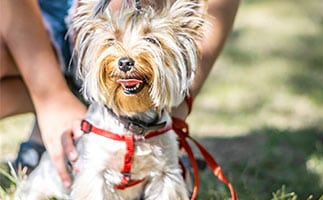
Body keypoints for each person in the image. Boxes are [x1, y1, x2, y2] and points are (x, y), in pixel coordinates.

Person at [0, 0, 239, 188]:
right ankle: (68, 107)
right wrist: (50, 96)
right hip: (39, 20)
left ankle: (124, 116)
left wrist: (179, 103)